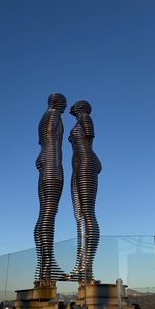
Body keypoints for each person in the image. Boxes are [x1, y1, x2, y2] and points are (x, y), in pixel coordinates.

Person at [34, 93, 67, 281]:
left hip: (44, 161)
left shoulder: (44, 117)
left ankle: (44, 266)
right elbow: (53, 143)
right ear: (57, 102)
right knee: (49, 213)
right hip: (52, 164)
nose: (65, 107)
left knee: (44, 213)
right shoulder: (54, 116)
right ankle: (48, 264)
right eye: (64, 103)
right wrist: (55, 167)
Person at [69, 100, 102, 282]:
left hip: (85, 165)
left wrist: (87, 165)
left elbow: (88, 145)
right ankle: (80, 265)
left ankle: (87, 266)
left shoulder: (86, 119)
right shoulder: (79, 122)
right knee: (79, 215)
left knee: (87, 213)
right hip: (79, 166)